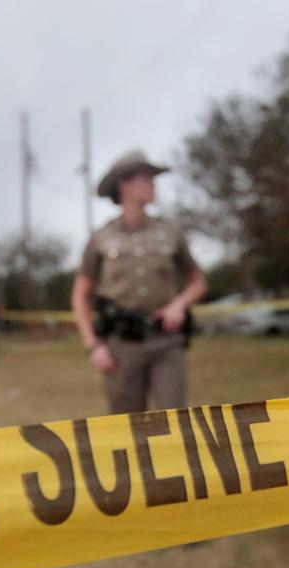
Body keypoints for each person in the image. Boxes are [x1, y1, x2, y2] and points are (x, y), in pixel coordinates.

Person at [71, 149, 207, 414]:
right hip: (121, 348)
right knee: (128, 430)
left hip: (166, 344)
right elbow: (79, 295)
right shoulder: (101, 238)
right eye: (146, 178)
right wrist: (93, 346)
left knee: (175, 422)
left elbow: (198, 282)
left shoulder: (170, 233)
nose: (153, 184)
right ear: (124, 184)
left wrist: (179, 305)